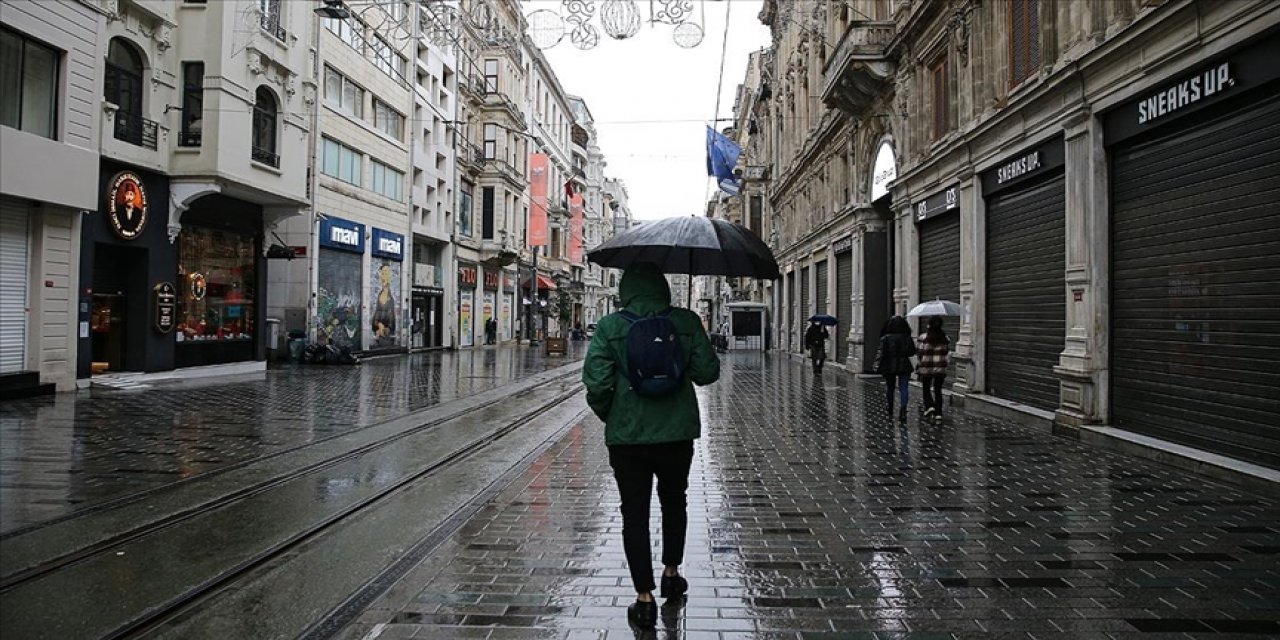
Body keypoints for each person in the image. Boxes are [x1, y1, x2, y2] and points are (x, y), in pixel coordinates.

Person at [582, 262, 721, 630]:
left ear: (625, 289)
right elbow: (708, 373)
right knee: (675, 502)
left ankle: (644, 599)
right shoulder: (687, 321)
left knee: (635, 513)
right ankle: (672, 574)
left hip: (628, 438)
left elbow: (596, 383)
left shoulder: (611, 326)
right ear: (663, 288)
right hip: (677, 434)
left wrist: (612, 415)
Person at [876, 315, 917, 421]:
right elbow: (912, 352)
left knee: (890, 387)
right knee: (904, 388)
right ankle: (903, 410)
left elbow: (881, 353)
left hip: (889, 365)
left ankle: (890, 408)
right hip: (905, 365)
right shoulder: (907, 338)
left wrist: (876, 365)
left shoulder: (885, 338)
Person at [916, 316, 950, 424]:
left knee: (926, 388)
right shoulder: (945, 339)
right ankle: (939, 413)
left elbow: (920, 351)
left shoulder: (923, 337)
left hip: (926, 367)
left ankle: (929, 406)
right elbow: (946, 352)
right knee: (938, 390)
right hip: (940, 368)